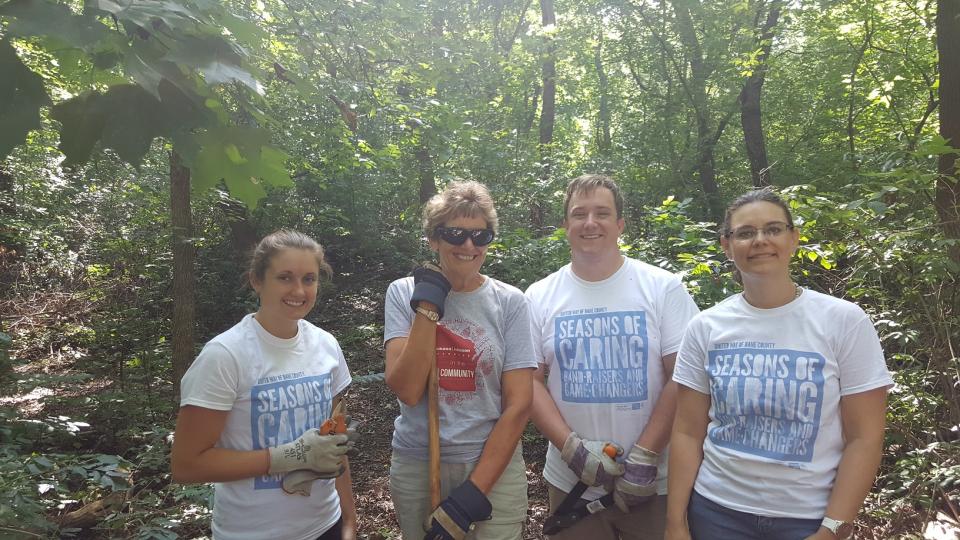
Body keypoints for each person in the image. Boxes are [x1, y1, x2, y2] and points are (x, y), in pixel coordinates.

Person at [666, 188, 893, 540]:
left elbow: (865, 437)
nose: (760, 241)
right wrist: (675, 523)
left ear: (793, 239)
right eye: (745, 232)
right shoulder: (705, 327)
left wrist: (833, 528)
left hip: (807, 518)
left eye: (773, 229)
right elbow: (687, 431)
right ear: (727, 246)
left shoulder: (843, 321)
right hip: (716, 512)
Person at [525, 174, 700, 539]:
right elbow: (529, 380)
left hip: (656, 482)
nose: (590, 223)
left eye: (602, 213)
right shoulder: (540, 296)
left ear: (620, 224)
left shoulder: (662, 287)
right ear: (565, 225)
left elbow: (685, 376)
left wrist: (646, 455)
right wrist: (571, 449)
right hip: (571, 485)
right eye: (579, 214)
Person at [171, 230, 358, 540]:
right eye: (285, 277)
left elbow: (334, 442)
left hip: (326, 525)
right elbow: (187, 465)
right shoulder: (225, 355)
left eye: (309, 279)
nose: (299, 290)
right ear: (257, 281)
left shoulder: (326, 346)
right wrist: (290, 456)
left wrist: (348, 519)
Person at [383, 180, 536, 540]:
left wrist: (471, 495)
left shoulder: (510, 302)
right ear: (434, 239)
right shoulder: (403, 293)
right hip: (419, 462)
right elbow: (406, 389)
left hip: (492, 465)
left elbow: (520, 404)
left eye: (480, 237)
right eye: (455, 234)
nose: (468, 245)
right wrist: (428, 307)